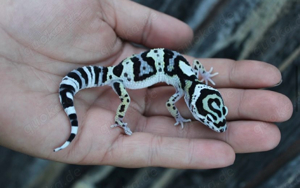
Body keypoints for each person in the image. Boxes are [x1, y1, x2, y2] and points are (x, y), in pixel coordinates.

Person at [0, 0, 292, 168]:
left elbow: (190, 78)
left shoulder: (189, 77)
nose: (216, 123)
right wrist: (178, 114)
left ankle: (80, 108)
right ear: (195, 103)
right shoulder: (185, 84)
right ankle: (110, 120)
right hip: (122, 78)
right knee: (125, 102)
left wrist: (198, 85)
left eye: (214, 119)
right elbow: (169, 101)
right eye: (209, 118)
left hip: (131, 69)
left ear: (207, 93)